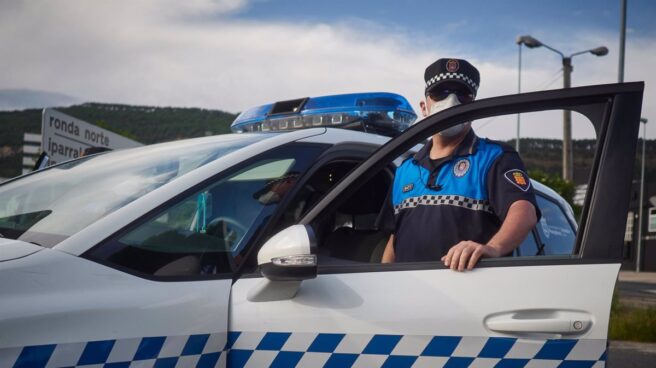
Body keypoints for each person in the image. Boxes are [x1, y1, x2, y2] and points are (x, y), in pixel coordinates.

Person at [378, 58, 540, 271]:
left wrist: (492, 248)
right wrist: (384, 274)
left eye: (462, 95)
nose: (451, 102)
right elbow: (395, 238)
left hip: (469, 295)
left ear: (474, 106)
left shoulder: (495, 157)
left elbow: (523, 210)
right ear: (424, 106)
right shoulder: (406, 169)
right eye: (440, 93)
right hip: (409, 294)